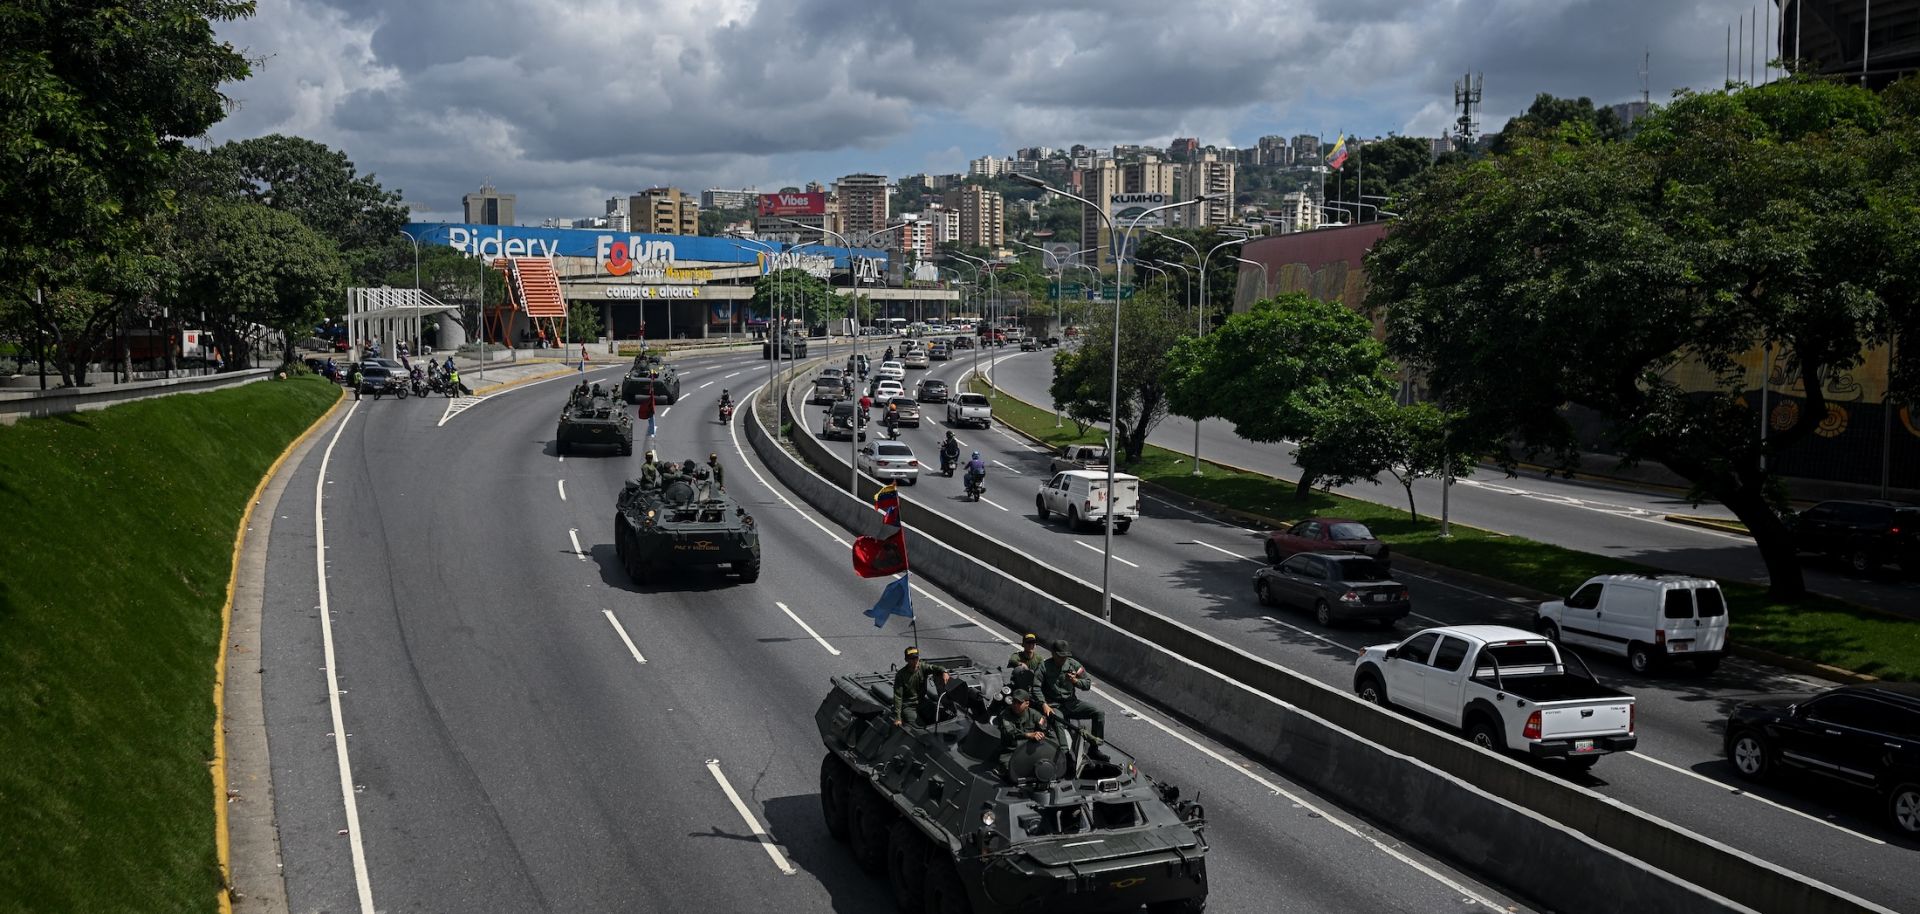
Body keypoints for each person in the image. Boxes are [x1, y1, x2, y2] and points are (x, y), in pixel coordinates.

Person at [1040, 640, 1106, 760]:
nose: (1063, 659)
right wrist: (1044, 704)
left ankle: (1094, 748)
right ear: (1053, 654)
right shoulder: (1044, 666)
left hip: (1071, 703)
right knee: (1058, 721)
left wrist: (1076, 681)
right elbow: (1035, 688)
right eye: (1060, 656)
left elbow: (1087, 684)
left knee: (1099, 713)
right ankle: (1066, 755)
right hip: (1054, 705)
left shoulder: (1074, 665)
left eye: (1065, 656)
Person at [996, 690, 1058, 772]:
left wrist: (1041, 735)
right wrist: (1028, 735)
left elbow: (1047, 731)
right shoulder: (1004, 715)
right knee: (1011, 771)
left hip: (1031, 750)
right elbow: (1010, 732)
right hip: (1011, 751)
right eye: (1014, 701)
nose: (1015, 705)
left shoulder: (1034, 714)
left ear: (1027, 704)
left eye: (1019, 702)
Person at [893, 646, 949, 727]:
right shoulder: (901, 675)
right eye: (912, 659)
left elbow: (934, 668)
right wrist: (897, 717)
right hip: (908, 706)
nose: (915, 661)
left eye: (916, 658)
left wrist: (944, 671)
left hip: (922, 701)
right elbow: (898, 697)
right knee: (918, 726)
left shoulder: (922, 667)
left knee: (940, 716)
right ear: (906, 660)